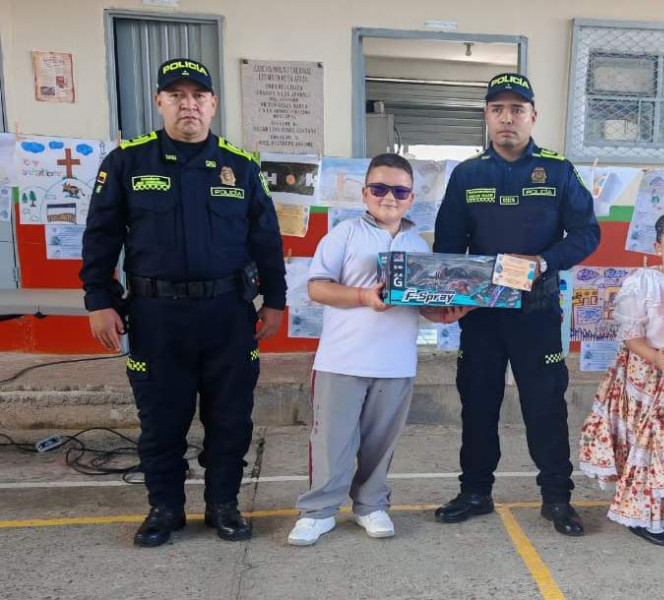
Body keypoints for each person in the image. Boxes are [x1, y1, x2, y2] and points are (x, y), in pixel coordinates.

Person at [80, 58, 286, 547]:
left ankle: (223, 506)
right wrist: (98, 300)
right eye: (176, 95)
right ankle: (165, 509)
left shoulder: (241, 166)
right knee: (160, 419)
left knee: (230, 418)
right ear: (160, 102)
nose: (187, 104)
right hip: (156, 316)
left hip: (228, 315)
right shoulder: (128, 161)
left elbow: (267, 241)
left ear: (213, 104)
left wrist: (275, 302)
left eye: (198, 96)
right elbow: (100, 238)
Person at [432, 73, 601, 536]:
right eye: (497, 109)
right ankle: (475, 492)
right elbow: (449, 244)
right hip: (481, 314)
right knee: (478, 405)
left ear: (532, 116)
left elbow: (588, 234)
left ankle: (556, 498)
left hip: (537, 313)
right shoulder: (467, 175)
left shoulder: (558, 170)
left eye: (517, 109)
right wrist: (450, 296)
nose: (507, 117)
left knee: (545, 406)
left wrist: (545, 262)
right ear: (487, 116)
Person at [287, 154, 450, 546]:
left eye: (399, 190)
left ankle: (371, 505)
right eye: (379, 188)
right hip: (342, 358)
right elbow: (316, 288)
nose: (389, 197)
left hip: (396, 363)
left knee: (380, 444)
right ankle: (318, 511)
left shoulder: (417, 245)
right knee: (331, 442)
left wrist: (447, 312)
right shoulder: (343, 234)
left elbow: (425, 304)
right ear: (365, 193)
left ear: (412, 198)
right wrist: (362, 295)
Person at [579, 211, 664, 546]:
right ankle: (643, 514)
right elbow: (630, 334)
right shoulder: (642, 282)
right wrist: (656, 357)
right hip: (646, 375)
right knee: (650, 447)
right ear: (658, 246)